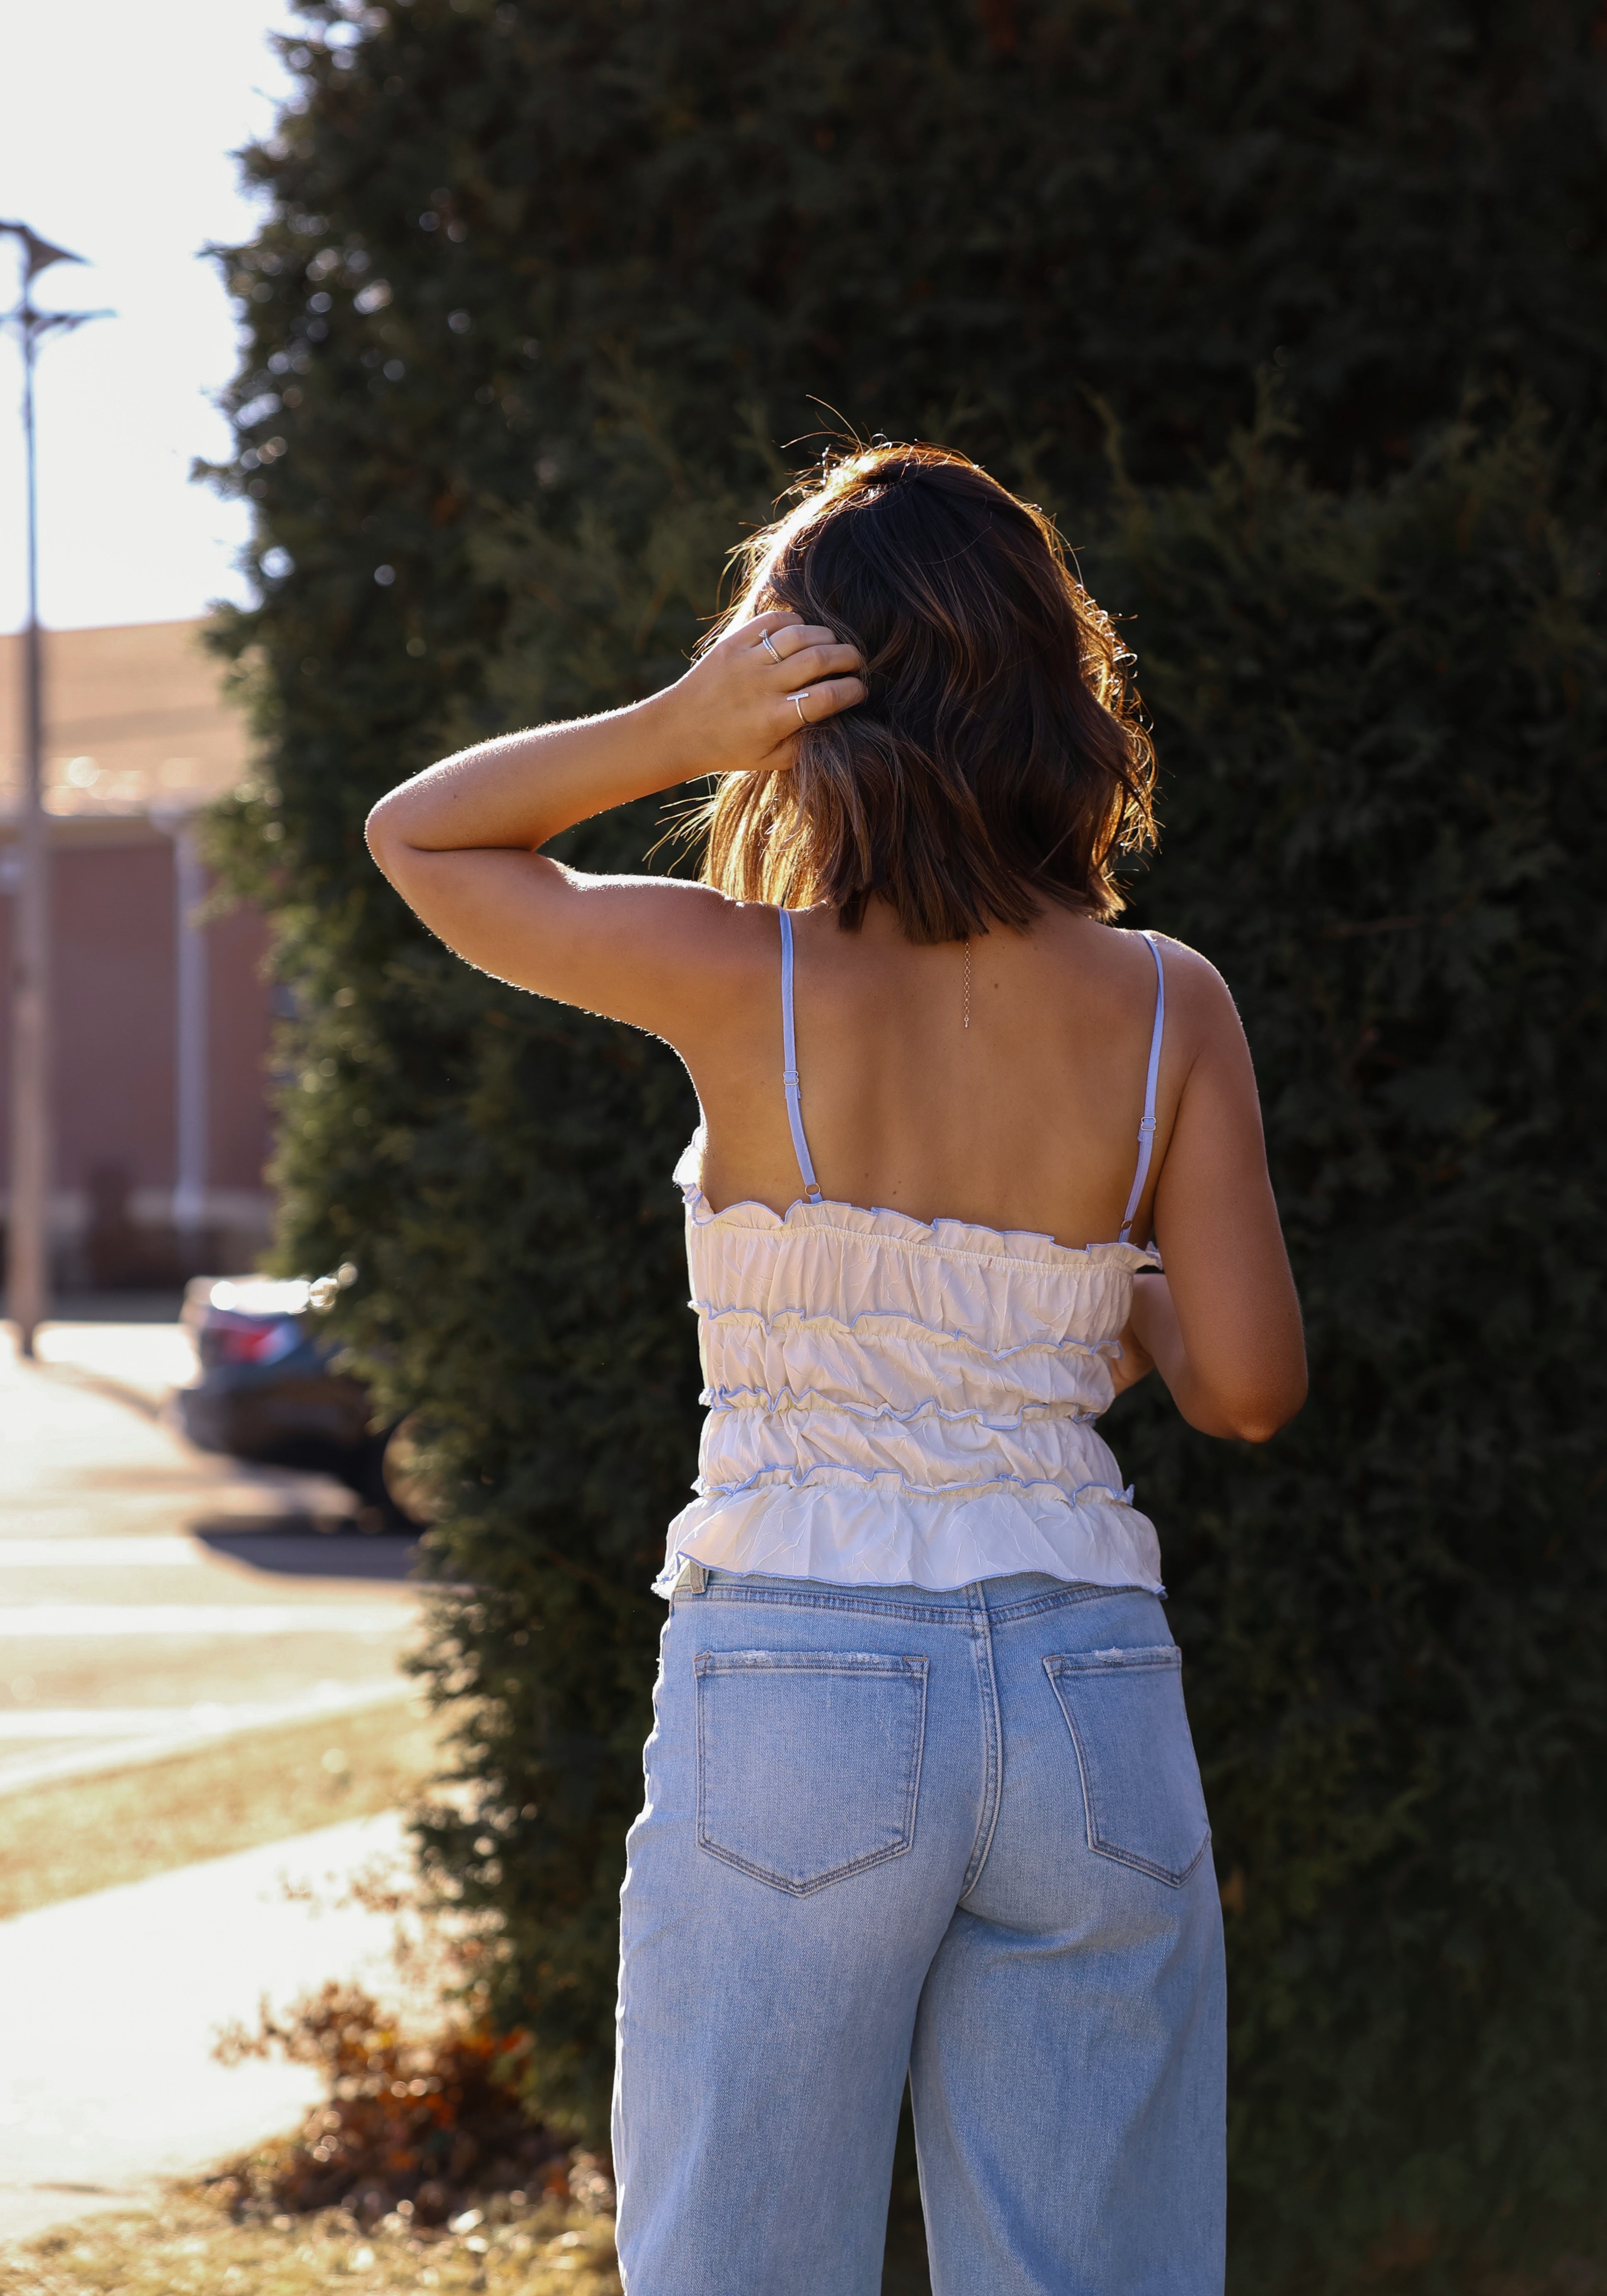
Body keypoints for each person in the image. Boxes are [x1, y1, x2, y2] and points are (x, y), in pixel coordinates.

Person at [366, 443, 1307, 2295]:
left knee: (742, 2258)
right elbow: (1248, 1385)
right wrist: (1073, 1306)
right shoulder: (1166, 1001)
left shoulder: (741, 977)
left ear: (809, 703)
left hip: (798, 1669)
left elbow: (423, 836)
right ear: (1056, 688)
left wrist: (676, 721)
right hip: (1086, 1679)